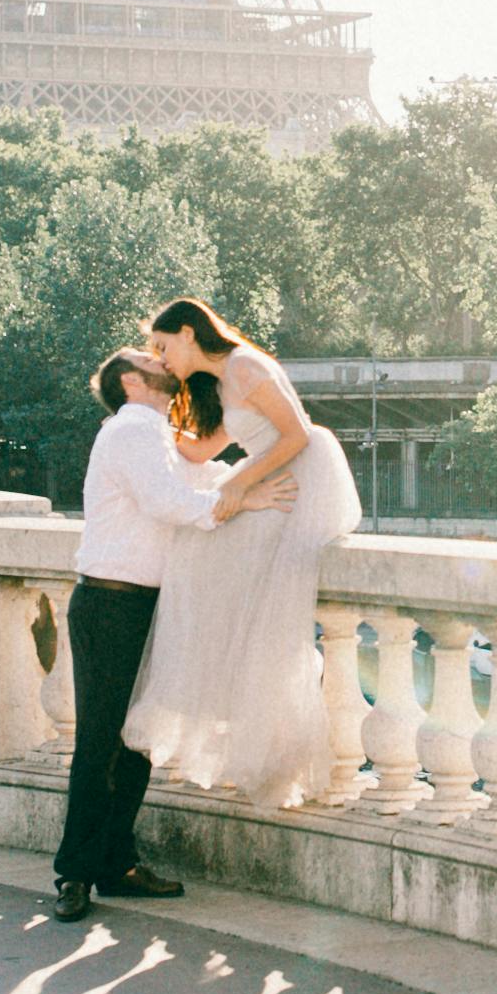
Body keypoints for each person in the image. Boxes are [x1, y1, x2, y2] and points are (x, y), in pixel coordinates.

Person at [51, 349, 292, 922]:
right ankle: (75, 874)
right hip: (111, 603)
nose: (162, 359)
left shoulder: (155, 433)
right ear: (132, 382)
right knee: (101, 741)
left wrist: (261, 462)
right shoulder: (130, 429)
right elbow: (169, 502)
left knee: (134, 741)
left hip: (139, 605)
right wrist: (246, 498)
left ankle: (116, 863)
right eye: (148, 358)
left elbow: (196, 474)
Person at [124, 295, 360, 807]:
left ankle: (249, 724)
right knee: (203, 549)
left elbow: (297, 434)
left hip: (301, 475)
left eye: (164, 347)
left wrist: (239, 485)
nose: (162, 360)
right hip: (271, 475)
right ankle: (229, 709)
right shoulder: (220, 382)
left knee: (223, 557)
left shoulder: (247, 365)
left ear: (188, 332)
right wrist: (138, 431)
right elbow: (200, 450)